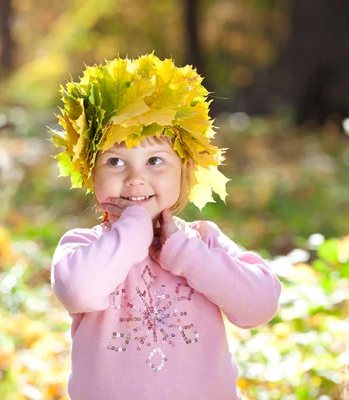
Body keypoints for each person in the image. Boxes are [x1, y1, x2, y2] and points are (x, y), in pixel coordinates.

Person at [49, 54, 282, 399]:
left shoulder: (201, 241)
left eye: (155, 160)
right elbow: (78, 290)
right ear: (89, 174)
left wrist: (187, 255)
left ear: (184, 170)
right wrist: (133, 232)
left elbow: (260, 305)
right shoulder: (83, 247)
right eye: (114, 161)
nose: (135, 177)